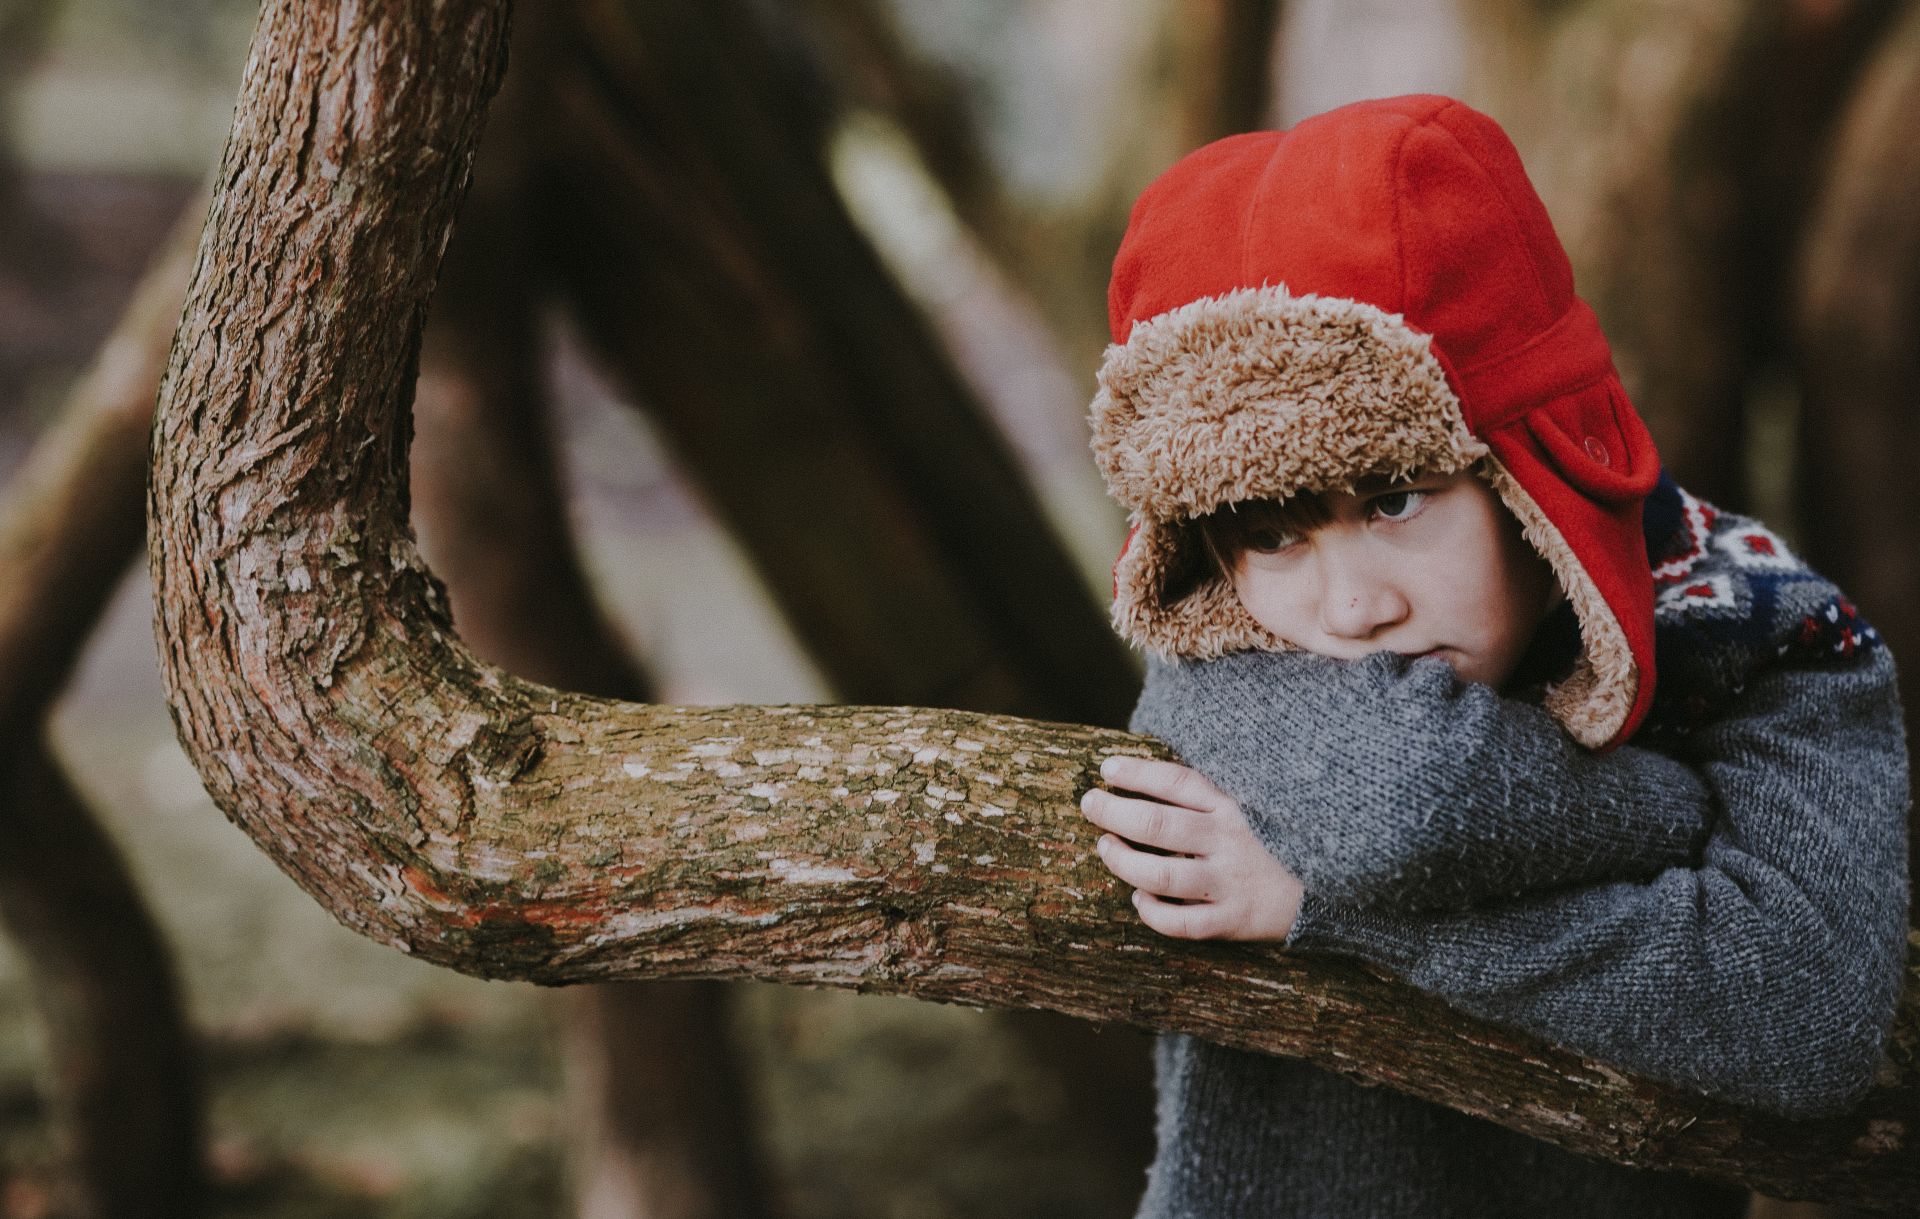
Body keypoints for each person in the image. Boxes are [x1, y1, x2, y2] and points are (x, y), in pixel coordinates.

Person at [1077, 93, 1910, 1218]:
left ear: (1531, 473)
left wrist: (1332, 907)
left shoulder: (1768, 637)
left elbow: (1806, 1019)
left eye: (1397, 497)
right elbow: (1410, 802)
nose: (1353, 605)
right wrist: (1670, 813)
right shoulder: (1223, 627)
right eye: (1272, 530)